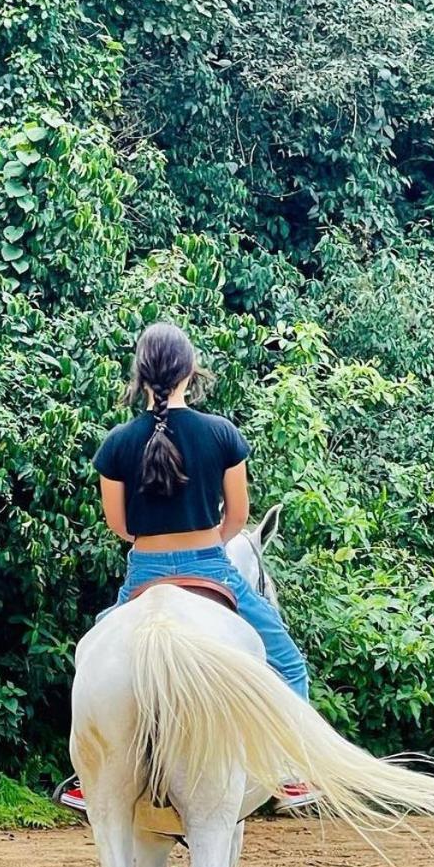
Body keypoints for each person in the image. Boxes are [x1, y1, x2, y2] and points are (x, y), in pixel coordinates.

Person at [59, 322, 314, 814]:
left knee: (92, 655)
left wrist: (154, 546)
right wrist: (207, 545)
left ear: (140, 373)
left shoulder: (116, 443)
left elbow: (119, 524)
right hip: (211, 566)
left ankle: (83, 775)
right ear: (190, 371)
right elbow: (238, 516)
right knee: (287, 661)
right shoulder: (221, 433)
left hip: (143, 571)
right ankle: (291, 769)